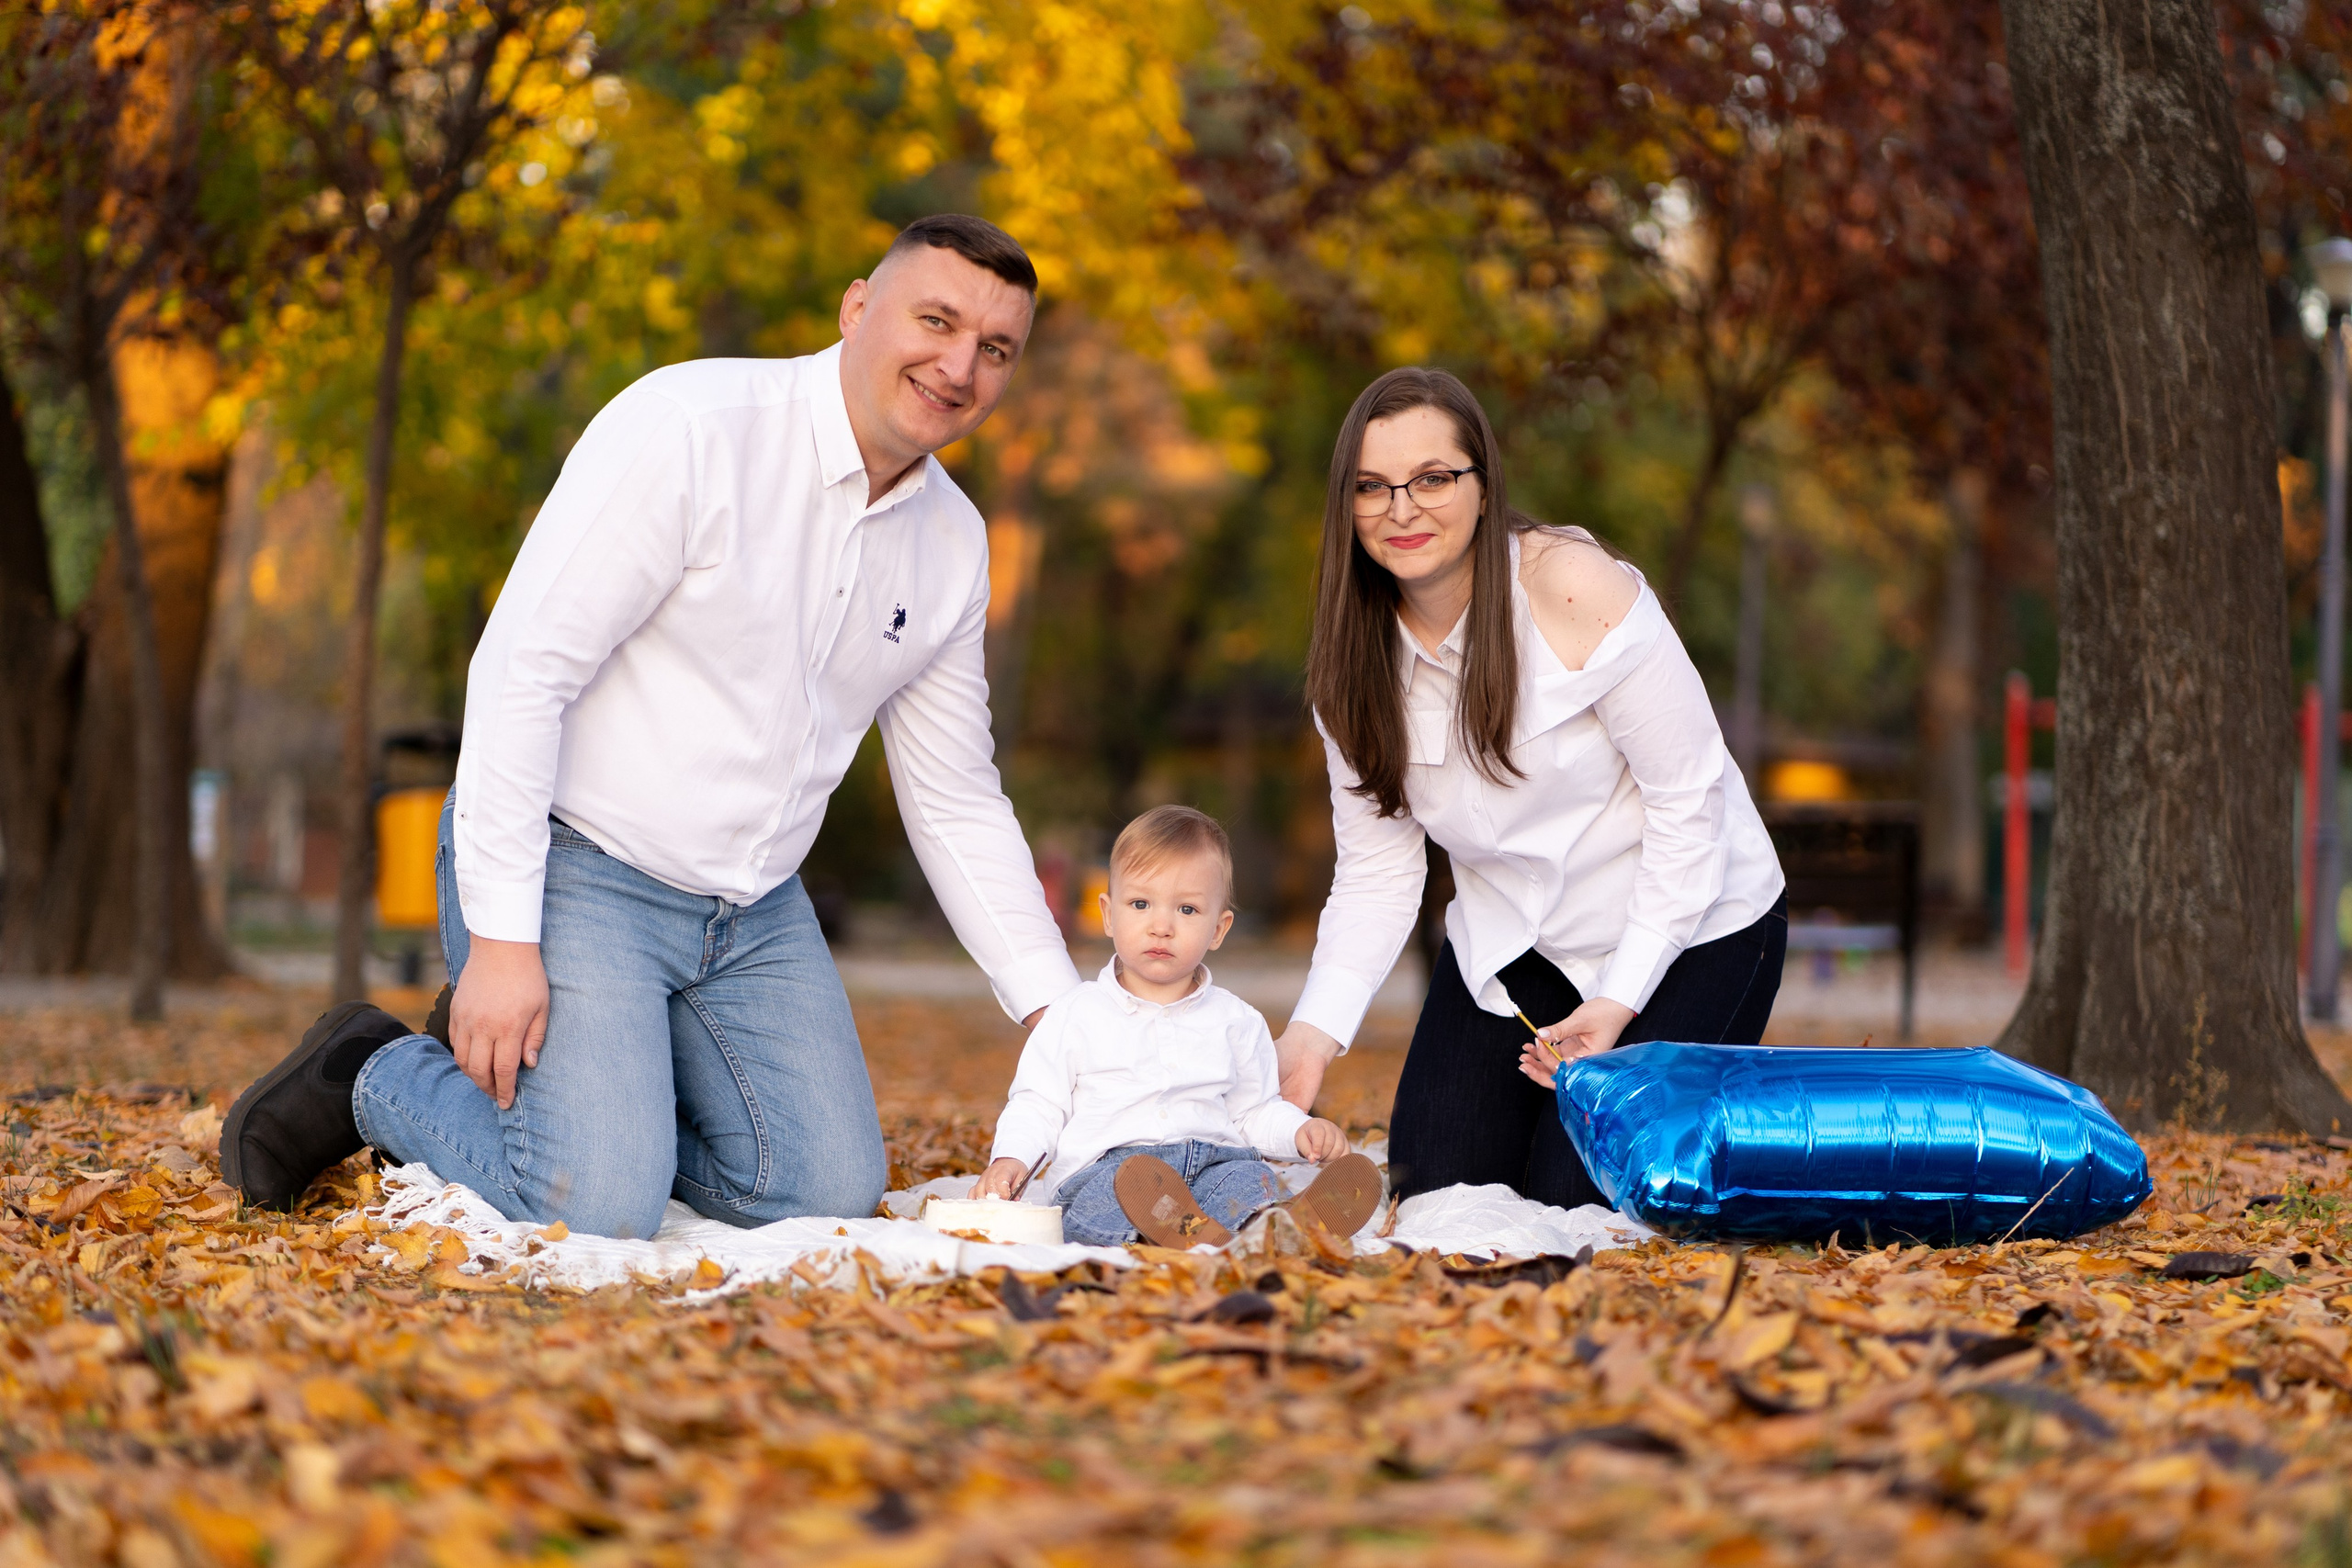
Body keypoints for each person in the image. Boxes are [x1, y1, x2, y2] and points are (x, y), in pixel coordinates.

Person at [221, 215, 1082, 1236]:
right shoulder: (690, 426)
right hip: (578, 864)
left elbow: (952, 797)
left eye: (994, 350)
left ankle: (608, 1104)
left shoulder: (953, 543)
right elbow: (521, 671)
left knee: (820, 1194)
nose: (958, 366)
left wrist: (1063, 1021)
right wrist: (502, 942)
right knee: (590, 1202)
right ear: (858, 309)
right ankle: (374, 1067)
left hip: (753, 916)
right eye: (935, 321)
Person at [1272, 367, 1788, 1213]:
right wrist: (1313, 1035)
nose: (1402, 509)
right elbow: (1378, 871)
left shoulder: (1571, 586)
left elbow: (1689, 802)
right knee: (1437, 1191)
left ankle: (1747, 1138)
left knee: (1581, 1200)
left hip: (1692, 927)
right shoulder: (1351, 667)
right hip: (1515, 946)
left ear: (1483, 484)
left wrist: (1617, 1003)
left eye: (1433, 478)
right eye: (1371, 487)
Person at [969, 807, 1382, 1247]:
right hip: (1110, 1170)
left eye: (1187, 909)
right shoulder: (1075, 1015)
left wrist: (1298, 1131)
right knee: (1105, 1199)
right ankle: (1192, 1232)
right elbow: (1039, 1103)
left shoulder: (1237, 1021)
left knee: (1247, 1177)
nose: (1162, 926)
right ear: (1108, 915)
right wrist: (1012, 1158)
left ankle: (1277, 1227)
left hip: (1211, 1164)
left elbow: (1253, 1112)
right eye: (1141, 904)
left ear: (1218, 928)